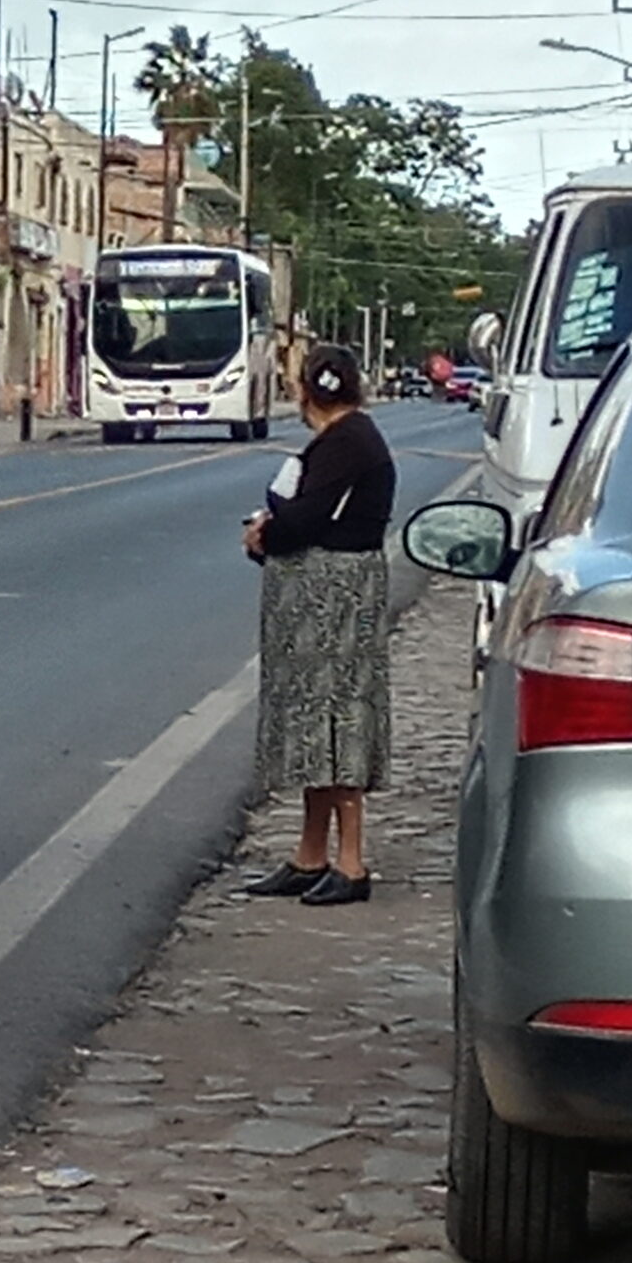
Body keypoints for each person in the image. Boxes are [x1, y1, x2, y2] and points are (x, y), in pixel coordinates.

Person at [241, 345, 396, 907]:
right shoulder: (345, 438)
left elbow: (305, 517)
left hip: (337, 601)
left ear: (308, 390)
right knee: (317, 720)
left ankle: (352, 863)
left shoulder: (348, 441)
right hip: (324, 600)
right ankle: (311, 854)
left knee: (339, 720)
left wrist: (265, 533)